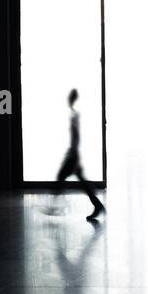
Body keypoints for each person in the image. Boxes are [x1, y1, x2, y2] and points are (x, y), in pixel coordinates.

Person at [55, 88, 104, 222]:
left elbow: (76, 136)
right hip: (73, 152)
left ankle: (54, 204)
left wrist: (74, 153)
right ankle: (98, 205)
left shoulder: (74, 115)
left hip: (73, 154)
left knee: (61, 176)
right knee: (81, 180)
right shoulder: (73, 114)